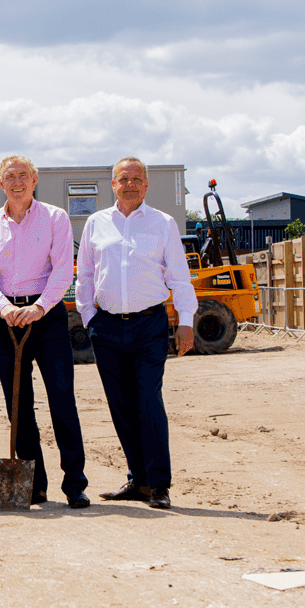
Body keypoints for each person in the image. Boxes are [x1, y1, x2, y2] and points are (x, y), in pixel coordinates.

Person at [0, 154, 90, 508]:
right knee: (18, 405)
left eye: (24, 175)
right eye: (10, 176)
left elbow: (63, 270)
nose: (17, 181)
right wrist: (4, 308)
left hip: (47, 316)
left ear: (35, 180)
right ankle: (34, 484)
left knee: (62, 399)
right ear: (0, 183)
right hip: (5, 317)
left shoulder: (55, 218)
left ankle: (75, 483)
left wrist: (39, 307)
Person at [74, 156, 196, 509]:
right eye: (123, 179)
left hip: (148, 325)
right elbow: (85, 275)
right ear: (113, 184)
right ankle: (138, 480)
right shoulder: (96, 223)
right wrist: (89, 317)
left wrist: (186, 320)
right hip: (107, 327)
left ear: (146, 185)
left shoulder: (163, 223)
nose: (130, 184)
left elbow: (179, 276)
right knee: (121, 405)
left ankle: (159, 484)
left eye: (136, 178)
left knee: (148, 401)